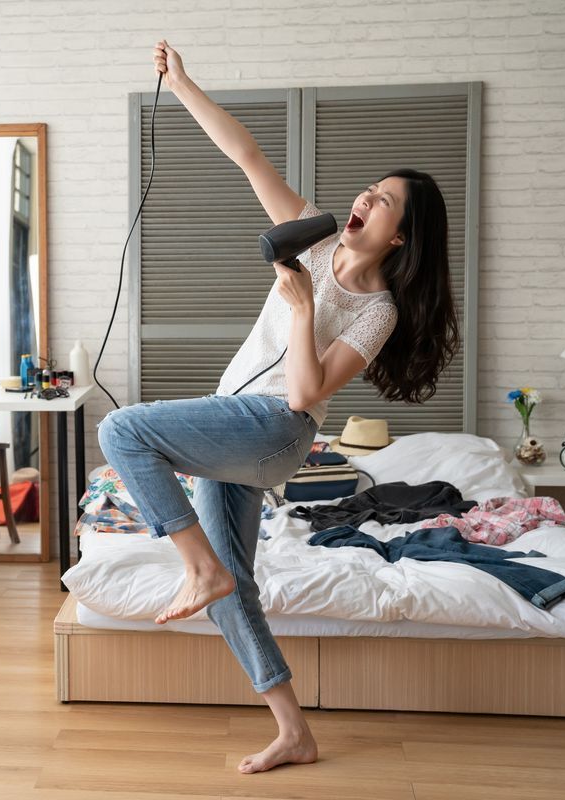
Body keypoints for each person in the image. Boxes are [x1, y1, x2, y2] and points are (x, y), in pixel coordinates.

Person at [95, 40, 460, 774]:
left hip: (275, 431)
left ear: (403, 235)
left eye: (383, 201)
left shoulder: (378, 312)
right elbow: (247, 154)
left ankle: (197, 569)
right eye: (370, 189)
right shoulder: (318, 239)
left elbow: (304, 394)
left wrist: (300, 311)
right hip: (235, 423)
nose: (365, 199)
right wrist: (183, 82)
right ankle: (293, 729)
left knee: (120, 427)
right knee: (236, 583)